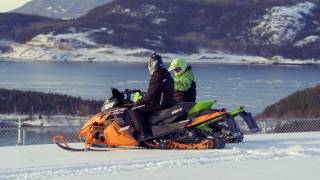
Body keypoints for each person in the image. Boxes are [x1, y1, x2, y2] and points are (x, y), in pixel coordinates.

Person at [129, 53, 175, 140]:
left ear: (153, 64)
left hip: (159, 104)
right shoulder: (167, 75)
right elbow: (157, 91)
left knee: (134, 109)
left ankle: (144, 134)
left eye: (149, 65)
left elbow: (150, 96)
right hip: (168, 102)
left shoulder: (157, 76)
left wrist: (139, 101)